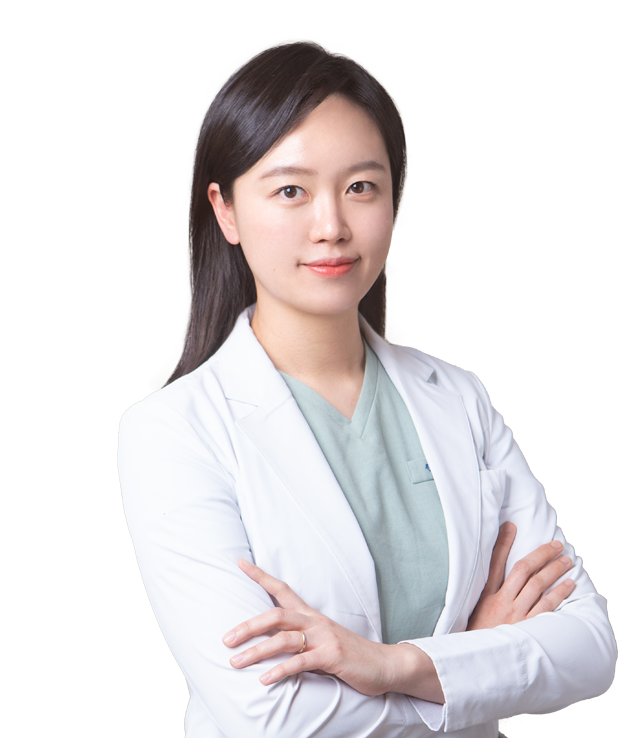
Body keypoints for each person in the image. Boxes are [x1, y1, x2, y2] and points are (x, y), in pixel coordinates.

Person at [118, 41, 616, 738]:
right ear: (225, 210)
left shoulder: (458, 399)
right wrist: (470, 663)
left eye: (361, 187)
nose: (332, 227)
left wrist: (393, 665)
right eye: (291, 191)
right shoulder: (173, 432)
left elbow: (589, 648)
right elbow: (271, 716)